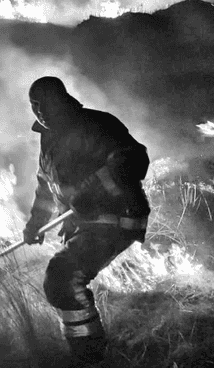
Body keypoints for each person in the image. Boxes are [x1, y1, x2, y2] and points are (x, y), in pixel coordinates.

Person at [22, 76, 150, 365]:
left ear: (63, 99)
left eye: (47, 103)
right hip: (86, 225)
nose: (40, 111)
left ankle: (91, 358)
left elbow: (134, 159)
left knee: (63, 277)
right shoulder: (48, 140)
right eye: (34, 105)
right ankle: (88, 352)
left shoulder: (96, 125)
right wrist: (34, 223)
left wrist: (95, 190)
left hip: (117, 218)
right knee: (61, 279)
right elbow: (46, 186)